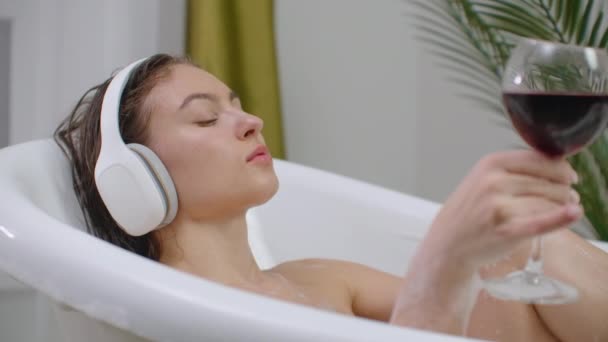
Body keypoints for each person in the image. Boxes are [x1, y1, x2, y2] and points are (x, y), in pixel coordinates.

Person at [54, 54, 608, 341]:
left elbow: (487, 317)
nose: (251, 121)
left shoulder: (317, 277)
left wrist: (477, 246)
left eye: (237, 103)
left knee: (521, 243)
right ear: (137, 178)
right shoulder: (177, 318)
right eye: (206, 117)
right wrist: (449, 251)